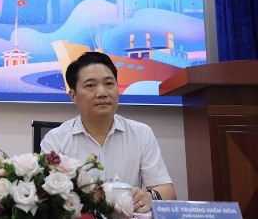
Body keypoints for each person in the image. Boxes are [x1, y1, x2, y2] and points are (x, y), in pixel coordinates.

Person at [41, 51, 176, 214]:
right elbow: (46, 198)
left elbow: (167, 191)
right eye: (90, 85)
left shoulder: (141, 133)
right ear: (73, 96)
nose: (102, 93)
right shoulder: (55, 140)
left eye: (109, 83)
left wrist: (149, 196)